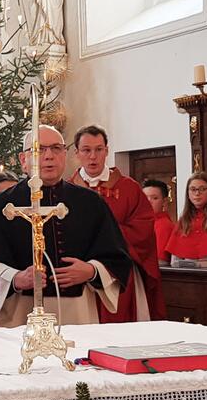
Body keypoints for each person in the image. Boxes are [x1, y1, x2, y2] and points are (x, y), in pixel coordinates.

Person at [0, 125, 132, 327]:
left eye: (56, 148)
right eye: (39, 149)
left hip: (76, 312)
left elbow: (117, 257)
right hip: (18, 312)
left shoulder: (90, 202)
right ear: (23, 160)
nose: (49, 156)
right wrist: (15, 278)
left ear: (65, 155)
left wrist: (91, 270)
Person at [68, 125, 164, 320]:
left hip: (118, 273)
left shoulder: (129, 188)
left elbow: (143, 230)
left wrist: (105, 236)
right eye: (86, 150)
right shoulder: (67, 190)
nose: (93, 156)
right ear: (76, 153)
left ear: (107, 151)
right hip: (80, 275)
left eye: (99, 149)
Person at [165, 172, 207, 269]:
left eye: (202, 189)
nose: (197, 193)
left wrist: (197, 265)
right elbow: (175, 262)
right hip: (186, 275)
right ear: (188, 193)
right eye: (193, 189)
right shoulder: (184, 219)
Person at [141, 178, 174, 265]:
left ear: (164, 201)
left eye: (154, 198)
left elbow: (160, 261)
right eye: (145, 197)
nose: (148, 201)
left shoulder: (164, 226)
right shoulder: (140, 222)